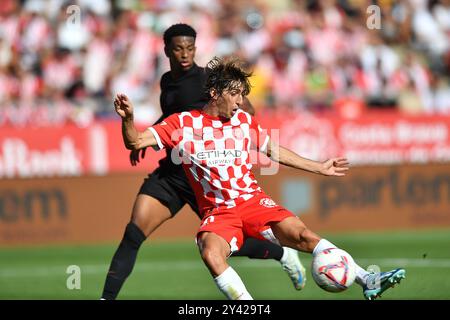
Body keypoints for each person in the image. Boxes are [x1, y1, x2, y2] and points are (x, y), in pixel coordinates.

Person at [114, 56, 406, 300]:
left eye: (243, 94)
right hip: (220, 212)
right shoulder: (182, 123)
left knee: (305, 237)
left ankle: (368, 279)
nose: (241, 102)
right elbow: (136, 142)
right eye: (235, 94)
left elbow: (273, 150)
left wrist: (319, 167)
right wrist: (128, 118)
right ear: (215, 93)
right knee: (211, 253)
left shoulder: (243, 121)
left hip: (253, 202)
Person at [101, 24, 306, 300]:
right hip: (173, 174)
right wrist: (143, 137)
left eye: (190, 48)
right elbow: (174, 116)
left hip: (207, 177)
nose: (185, 54)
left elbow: (247, 109)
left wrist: (234, 116)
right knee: (133, 234)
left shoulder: (207, 80)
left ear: (196, 49)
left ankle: (283, 253)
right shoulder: (166, 81)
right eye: (178, 48)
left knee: (230, 243)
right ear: (167, 51)